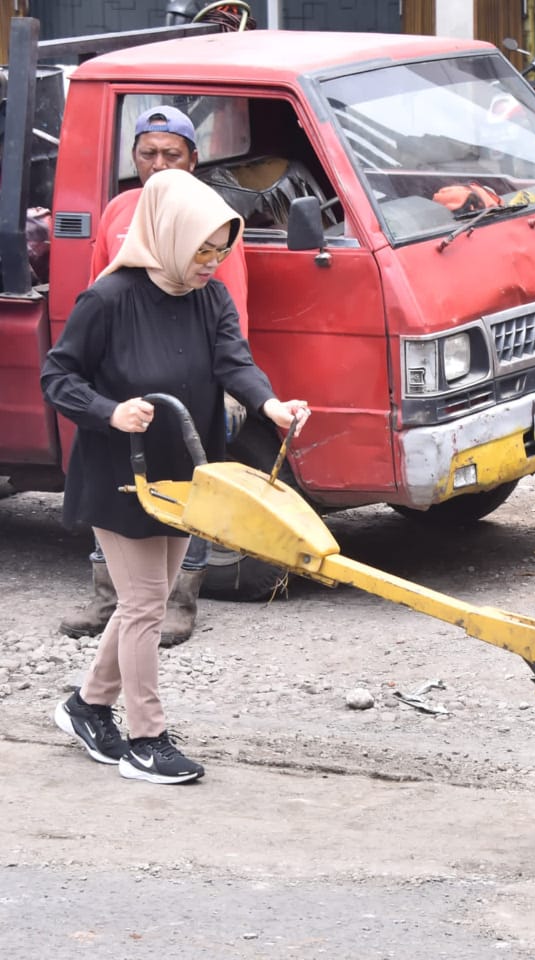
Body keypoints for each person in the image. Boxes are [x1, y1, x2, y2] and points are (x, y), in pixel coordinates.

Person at [42, 168, 309, 783]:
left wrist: (270, 404)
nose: (212, 263)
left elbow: (232, 361)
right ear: (167, 237)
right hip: (120, 472)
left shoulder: (210, 297)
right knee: (143, 605)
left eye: (221, 251)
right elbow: (59, 377)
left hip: (186, 471)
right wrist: (110, 411)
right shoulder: (107, 300)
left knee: (150, 599)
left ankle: (86, 706)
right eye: (202, 251)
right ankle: (146, 740)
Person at [59, 104, 250, 647]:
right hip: (122, 393)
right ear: (134, 158)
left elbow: (225, 305)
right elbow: (104, 283)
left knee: (187, 481)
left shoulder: (207, 223)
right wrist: (101, 400)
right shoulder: (120, 211)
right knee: (116, 486)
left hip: (193, 382)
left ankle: (180, 602)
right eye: (148, 153)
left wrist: (243, 390)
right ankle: (108, 599)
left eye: (172, 153)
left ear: (194, 158)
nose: (159, 163)